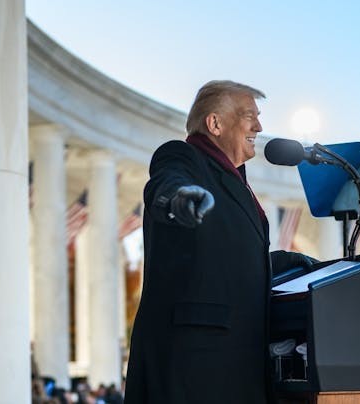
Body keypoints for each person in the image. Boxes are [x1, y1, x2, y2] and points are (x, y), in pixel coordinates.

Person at [124, 80, 315, 404]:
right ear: (214, 123)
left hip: (239, 365)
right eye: (248, 116)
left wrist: (287, 262)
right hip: (194, 367)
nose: (259, 126)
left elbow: (226, 263)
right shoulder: (185, 157)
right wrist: (179, 199)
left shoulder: (236, 181)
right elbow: (166, 182)